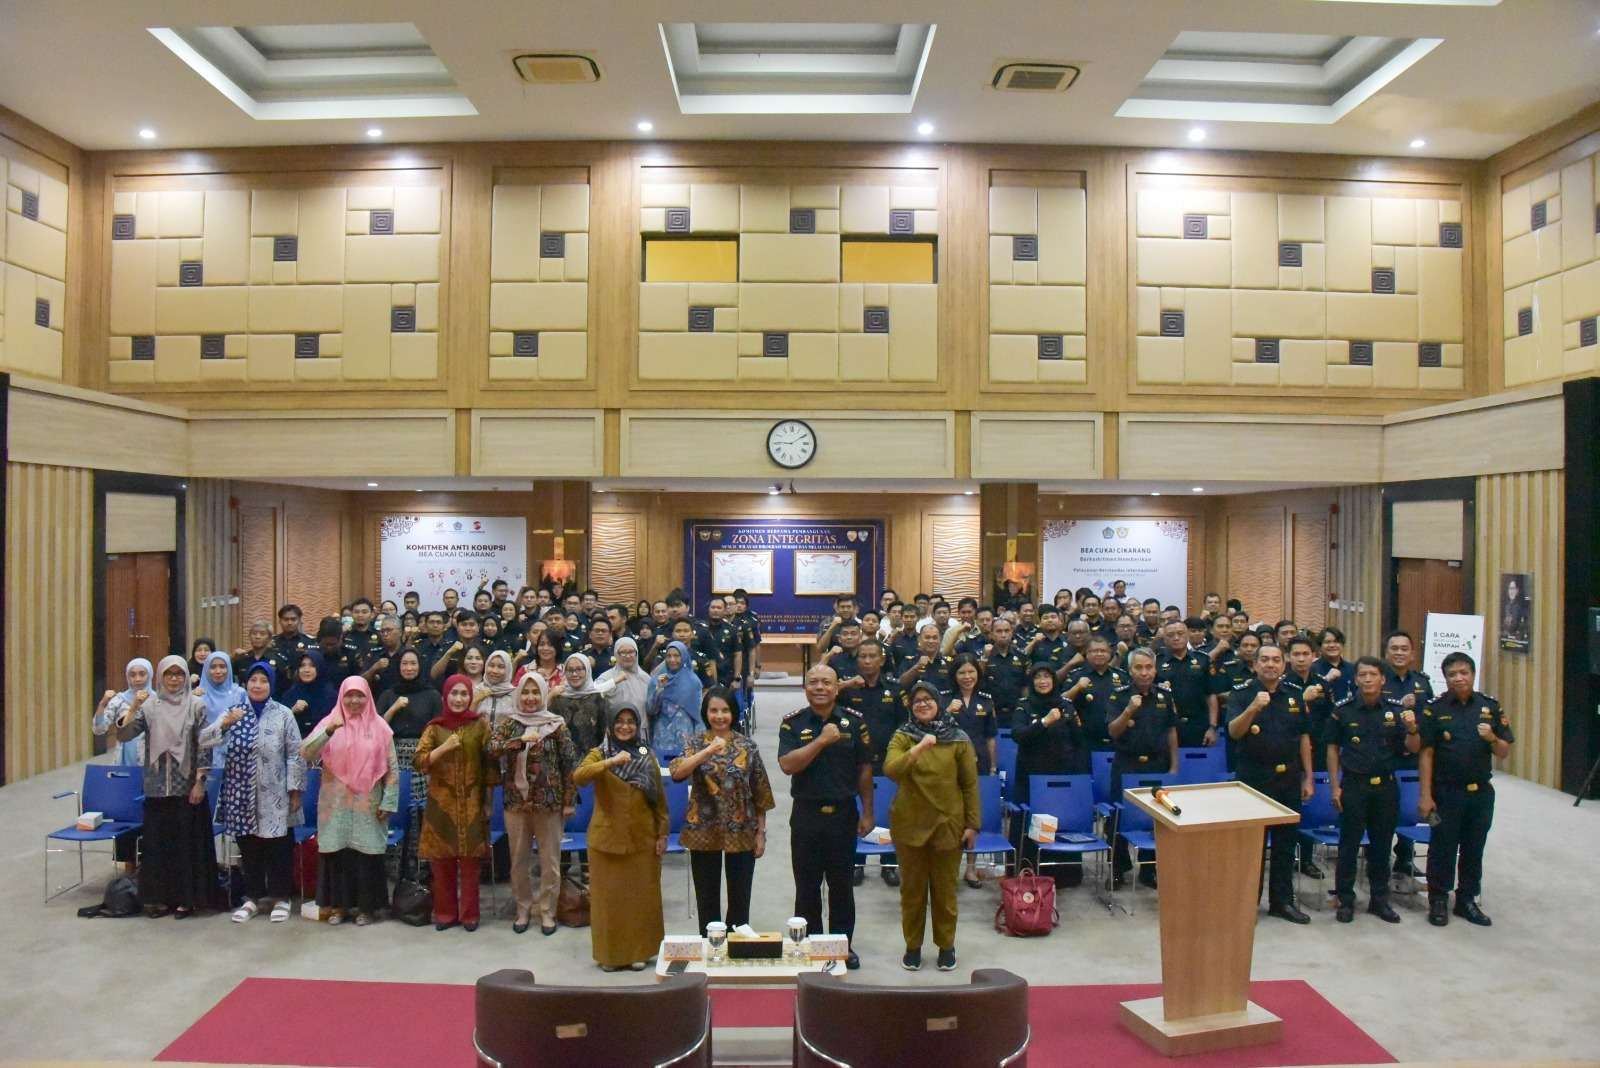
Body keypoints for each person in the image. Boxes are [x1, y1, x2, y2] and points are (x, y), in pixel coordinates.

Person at [778, 663, 874, 970]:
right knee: (807, 886)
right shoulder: (792, 723)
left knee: (841, 885)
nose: (819, 687)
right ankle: (811, 945)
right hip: (806, 815)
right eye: (813, 682)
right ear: (805, 687)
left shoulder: (854, 722)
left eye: (826, 683)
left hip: (843, 815)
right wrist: (820, 741)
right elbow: (788, 765)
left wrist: (868, 812)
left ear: (836, 688)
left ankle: (840, 945)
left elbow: (864, 769)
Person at [887, 681, 980, 973]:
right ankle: (913, 947)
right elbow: (891, 770)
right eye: (917, 701)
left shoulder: (959, 739)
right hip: (910, 825)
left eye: (928, 699)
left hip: (948, 825)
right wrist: (918, 748)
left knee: (945, 892)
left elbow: (970, 784)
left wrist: (973, 824)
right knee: (912, 893)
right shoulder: (903, 735)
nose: (923, 704)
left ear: (939, 703)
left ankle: (946, 947)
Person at [112, 654, 216, 917]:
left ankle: (186, 900)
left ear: (185, 677)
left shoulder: (197, 706)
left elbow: (205, 746)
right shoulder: (150, 707)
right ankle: (159, 899)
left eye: (179, 674)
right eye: (169, 674)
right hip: (156, 787)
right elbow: (125, 734)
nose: (174, 679)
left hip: (187, 787)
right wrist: (133, 707)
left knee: (185, 846)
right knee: (158, 847)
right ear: (160, 677)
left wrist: (200, 782)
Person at [202, 661, 305, 924]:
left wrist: (295, 790)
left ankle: (280, 898)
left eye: (263, 681)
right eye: (253, 680)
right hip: (240, 793)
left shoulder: (283, 714)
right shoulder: (234, 712)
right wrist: (225, 724)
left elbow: (296, 754)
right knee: (249, 847)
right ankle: (253, 898)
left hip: (276, 793)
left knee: (278, 847)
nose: (257, 685)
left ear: (271, 685)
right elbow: (204, 740)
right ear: (246, 683)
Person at [1418, 652, 1513, 928]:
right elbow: (1426, 754)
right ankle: (1438, 898)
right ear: (1445, 678)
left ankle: (1467, 899)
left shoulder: (1489, 707)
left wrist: (1492, 737)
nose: (1459, 678)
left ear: (1473, 674)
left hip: (1480, 793)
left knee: (1474, 847)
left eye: (1464, 673)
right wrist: (1425, 795)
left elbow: (1503, 751)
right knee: (1442, 846)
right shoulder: (1434, 709)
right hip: (1446, 792)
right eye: (1452, 674)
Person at [671, 687, 776, 934]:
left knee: (740, 899)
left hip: (742, 829)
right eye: (714, 710)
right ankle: (711, 946)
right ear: (705, 713)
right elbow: (677, 773)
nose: (719, 716)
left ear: (733, 713)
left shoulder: (747, 746)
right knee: (707, 899)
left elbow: (761, 793)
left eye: (725, 710)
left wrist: (761, 833)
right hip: (703, 829)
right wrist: (707, 751)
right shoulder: (695, 742)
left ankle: (737, 947)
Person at [573, 706, 669, 971]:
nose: (625, 727)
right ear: (610, 724)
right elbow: (579, 777)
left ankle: (640, 952)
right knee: (608, 902)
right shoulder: (600, 753)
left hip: (642, 837)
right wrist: (611, 762)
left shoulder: (645, 754)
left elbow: (659, 798)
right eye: (619, 721)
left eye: (630, 722)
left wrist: (662, 832)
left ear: (638, 726)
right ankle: (610, 956)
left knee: (640, 899)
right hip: (606, 840)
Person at [301, 676, 399, 926]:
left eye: (360, 695)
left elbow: (392, 768)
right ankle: (338, 907)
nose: (354, 700)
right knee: (337, 854)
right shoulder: (330, 722)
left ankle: (367, 909)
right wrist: (328, 731)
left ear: (368, 697)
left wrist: (388, 802)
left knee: (366, 855)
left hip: (368, 803)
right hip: (335, 802)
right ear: (341, 697)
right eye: (349, 695)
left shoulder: (380, 727)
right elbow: (306, 753)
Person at [1227, 644, 1313, 924]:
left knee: (1286, 845)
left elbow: (1303, 737)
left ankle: (1282, 902)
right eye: (1264, 660)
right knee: (1252, 846)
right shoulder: (1241, 694)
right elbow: (1234, 732)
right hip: (1254, 780)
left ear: (1283, 665)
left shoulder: (1294, 695)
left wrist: (1309, 777)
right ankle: (1246, 904)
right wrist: (1253, 707)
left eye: (1276, 660)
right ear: (1255, 664)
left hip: (1288, 779)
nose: (1270, 665)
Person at [1324, 656, 1413, 925]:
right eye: (1362, 674)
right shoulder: (1343, 710)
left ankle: (1379, 900)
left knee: (1382, 846)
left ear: (1382, 679)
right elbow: (1332, 749)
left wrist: (1413, 728)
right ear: (1356, 679)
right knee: (1348, 846)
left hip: (1386, 786)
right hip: (1354, 785)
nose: (1367, 679)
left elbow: (1413, 747)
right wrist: (1335, 786)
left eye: (1373, 674)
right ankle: (1345, 900)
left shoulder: (1395, 711)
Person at [488, 672, 578, 935]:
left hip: (549, 804)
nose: (530, 698)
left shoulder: (556, 725)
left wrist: (569, 801)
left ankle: (548, 911)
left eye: (535, 692)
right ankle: (523, 908)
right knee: (518, 860)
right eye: (525, 692)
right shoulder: (510, 723)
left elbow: (569, 765)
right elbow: (492, 748)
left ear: (543, 694)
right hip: (516, 803)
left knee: (550, 862)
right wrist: (518, 742)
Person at [415, 674, 496, 932]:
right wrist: (443, 748)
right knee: (442, 862)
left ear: (470, 697)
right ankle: (445, 913)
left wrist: (488, 802)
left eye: (464, 694)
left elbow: (490, 766)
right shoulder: (434, 728)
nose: (458, 699)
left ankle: (470, 915)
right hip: (441, 805)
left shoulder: (480, 726)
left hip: (472, 803)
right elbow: (419, 762)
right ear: (445, 696)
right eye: (454, 693)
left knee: (471, 863)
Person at [1107, 649, 1177, 889]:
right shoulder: (1119, 696)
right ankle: (1118, 869)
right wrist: (1128, 710)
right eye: (1139, 668)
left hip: (1157, 764)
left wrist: (1174, 766)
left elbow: (1171, 731)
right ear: (1130, 670)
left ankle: (1149, 869)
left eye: (1149, 667)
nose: (1144, 672)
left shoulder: (1165, 696)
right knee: (1117, 817)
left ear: (1155, 670)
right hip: (1127, 763)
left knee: (1156, 818)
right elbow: (1113, 731)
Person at [1011, 664, 1086, 881]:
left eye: (1046, 677)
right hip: (1031, 777)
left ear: (1054, 680)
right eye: (1037, 677)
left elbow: (1078, 740)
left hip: (1061, 775)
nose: (1042, 681)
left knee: (1059, 822)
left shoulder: (1066, 705)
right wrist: (1044, 722)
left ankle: (1064, 875)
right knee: (1031, 824)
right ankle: (1029, 872)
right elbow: (1018, 735)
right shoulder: (1024, 705)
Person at [647, 640, 704, 759]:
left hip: (685, 736)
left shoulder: (693, 681)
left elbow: (698, 716)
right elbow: (650, 710)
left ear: (684, 657)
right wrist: (659, 689)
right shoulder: (657, 679)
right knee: (662, 768)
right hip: (661, 737)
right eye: (668, 656)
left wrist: (699, 742)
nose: (672, 660)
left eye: (677, 656)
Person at [94, 657, 153, 767]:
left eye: (142, 674)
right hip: (124, 757)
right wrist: (102, 704)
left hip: (151, 759)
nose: (137, 679)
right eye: (132, 675)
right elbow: (99, 729)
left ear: (150, 675)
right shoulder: (119, 700)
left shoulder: (158, 700)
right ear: (127, 677)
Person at [550, 652, 608, 759]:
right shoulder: (557, 700)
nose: (574, 674)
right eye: (570, 670)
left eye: (579, 669)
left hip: (591, 762)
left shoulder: (597, 699)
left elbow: (603, 736)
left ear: (587, 670)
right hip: (561, 761)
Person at [595, 635, 651, 724]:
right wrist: (615, 681)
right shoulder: (607, 676)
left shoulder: (645, 678)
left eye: (631, 652)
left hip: (641, 729)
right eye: (623, 652)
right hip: (615, 729)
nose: (628, 656)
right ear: (616, 654)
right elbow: (593, 692)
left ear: (636, 653)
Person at [284, 650, 338, 738]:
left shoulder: (331, 696)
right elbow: (279, 725)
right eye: (302, 665)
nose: (306, 670)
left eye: (312, 666)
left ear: (320, 668)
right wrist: (292, 711)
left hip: (325, 742)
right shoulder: (290, 694)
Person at [472, 649, 519, 726]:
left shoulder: (515, 694)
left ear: (508, 669)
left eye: (501, 667)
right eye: (491, 665)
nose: (495, 671)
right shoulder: (476, 691)